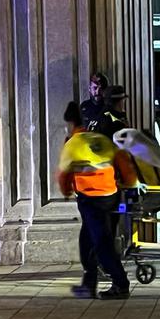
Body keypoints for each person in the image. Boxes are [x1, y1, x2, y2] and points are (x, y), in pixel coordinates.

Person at [56, 101, 137, 299]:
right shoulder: (101, 139)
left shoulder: (72, 144)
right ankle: (88, 283)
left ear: (70, 123)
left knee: (102, 243)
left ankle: (120, 284)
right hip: (111, 196)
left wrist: (66, 191)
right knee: (87, 239)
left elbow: (63, 176)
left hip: (91, 199)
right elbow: (122, 162)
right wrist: (128, 183)